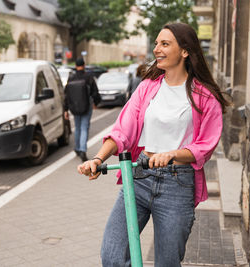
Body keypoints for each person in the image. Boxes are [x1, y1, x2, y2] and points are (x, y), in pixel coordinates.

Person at [78, 23, 231, 267]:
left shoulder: (205, 97)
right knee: (112, 256)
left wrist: (172, 154)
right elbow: (122, 131)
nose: (156, 48)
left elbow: (205, 145)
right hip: (139, 177)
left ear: (184, 51)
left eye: (165, 44)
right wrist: (98, 159)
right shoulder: (147, 88)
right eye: (157, 43)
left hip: (177, 184)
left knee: (166, 263)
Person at [64, 58, 101, 162]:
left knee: (77, 127)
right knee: (84, 128)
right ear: (84, 65)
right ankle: (83, 150)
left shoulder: (71, 77)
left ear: (75, 66)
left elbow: (66, 95)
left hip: (74, 107)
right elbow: (95, 91)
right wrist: (96, 102)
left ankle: (77, 148)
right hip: (86, 106)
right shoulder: (88, 77)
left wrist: (65, 109)